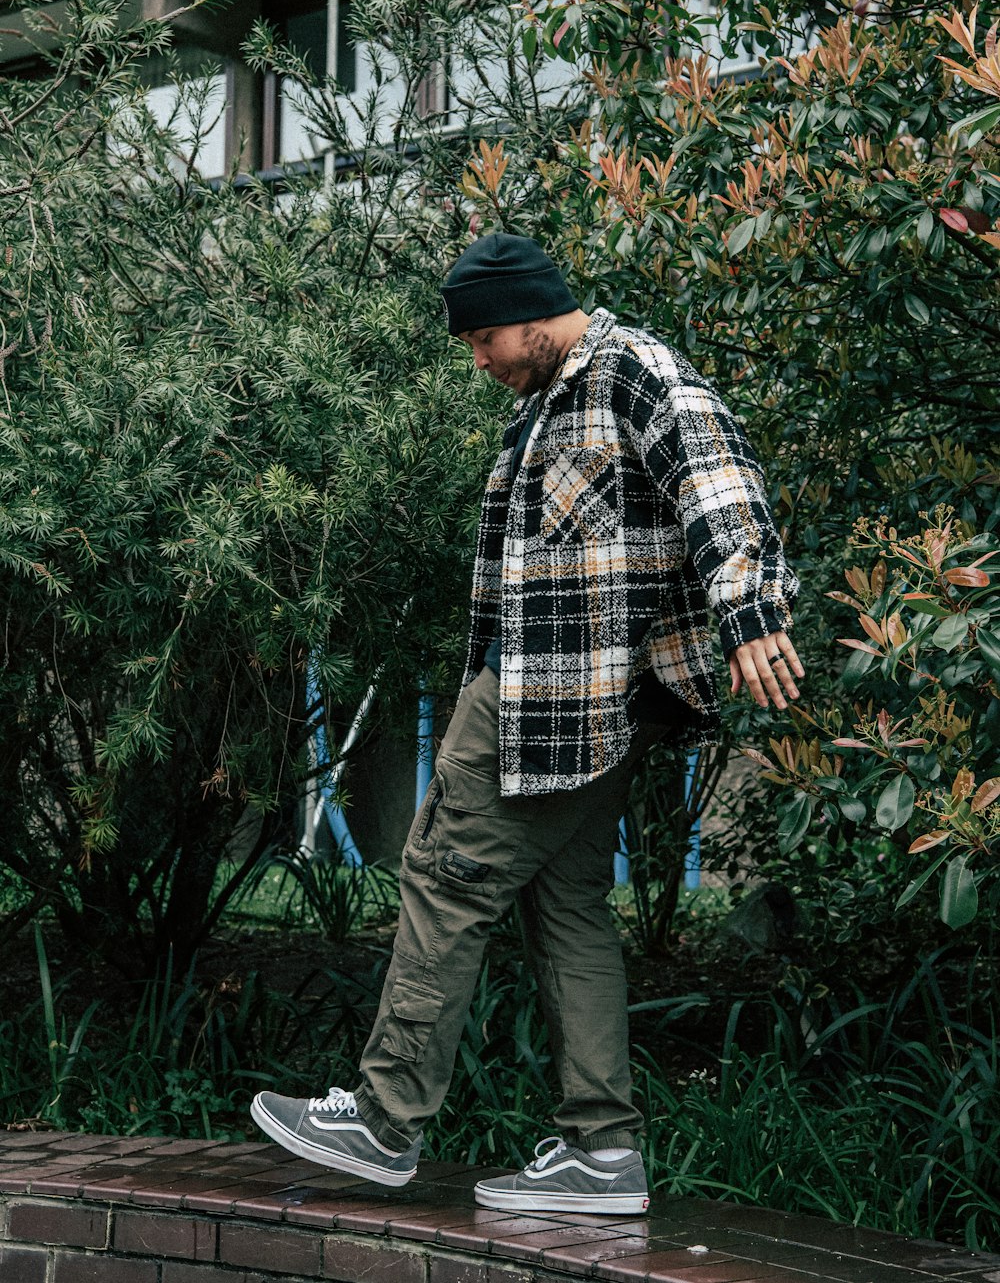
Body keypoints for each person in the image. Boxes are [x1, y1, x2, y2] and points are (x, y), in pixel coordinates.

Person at [251, 233, 803, 1215]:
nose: (478, 359)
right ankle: (602, 1150)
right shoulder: (542, 405)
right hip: (568, 703)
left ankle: (384, 1118)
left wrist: (751, 613)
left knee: (444, 873)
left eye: (484, 337)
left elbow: (718, 483)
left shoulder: (634, 371)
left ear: (532, 311)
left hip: (560, 698)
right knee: (567, 906)